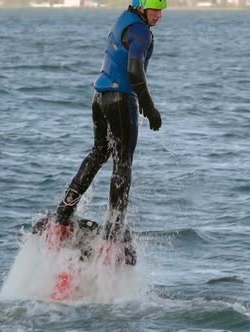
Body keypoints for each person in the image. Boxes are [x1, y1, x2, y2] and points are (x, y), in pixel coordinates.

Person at [37, 0, 166, 265]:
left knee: (99, 152)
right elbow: (134, 69)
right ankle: (113, 231)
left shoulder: (123, 21)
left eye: (163, 8)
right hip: (120, 99)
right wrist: (149, 107)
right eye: (156, 9)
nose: (160, 15)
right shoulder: (141, 32)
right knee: (123, 163)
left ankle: (62, 215)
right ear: (142, 7)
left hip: (100, 97)